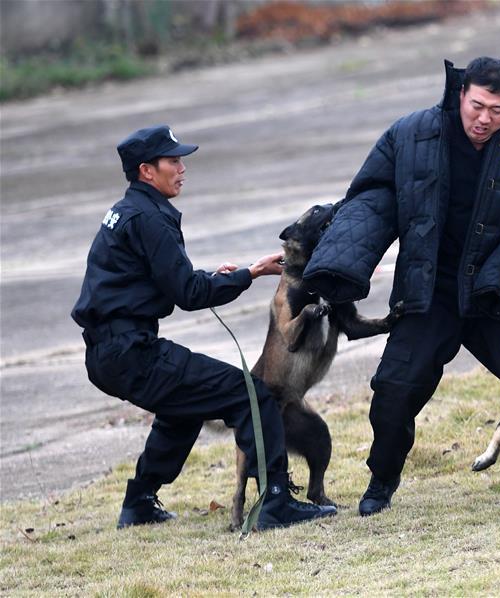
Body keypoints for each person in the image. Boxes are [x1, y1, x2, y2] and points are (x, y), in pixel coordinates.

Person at [303, 57, 500, 516]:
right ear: (460, 93)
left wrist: (499, 269)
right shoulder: (411, 135)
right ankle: (382, 481)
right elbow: (372, 199)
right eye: (477, 106)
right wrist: (339, 263)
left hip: (497, 296)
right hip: (429, 291)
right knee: (394, 389)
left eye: (498, 109)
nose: (485, 118)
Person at [71, 125, 337, 530]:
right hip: (130, 352)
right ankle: (275, 501)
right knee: (253, 393)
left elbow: (167, 279)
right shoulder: (150, 219)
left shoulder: (128, 212)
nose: (182, 168)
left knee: (184, 405)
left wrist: (218, 276)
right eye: (173, 161)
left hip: (111, 351)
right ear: (147, 170)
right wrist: (250, 273)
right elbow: (189, 293)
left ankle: (140, 501)